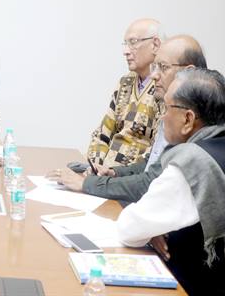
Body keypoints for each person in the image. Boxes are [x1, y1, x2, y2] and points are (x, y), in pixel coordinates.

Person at [117, 68, 225, 295]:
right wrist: (153, 227)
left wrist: (150, 229)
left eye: (166, 107)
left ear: (188, 119)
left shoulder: (192, 163)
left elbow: (129, 229)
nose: (162, 117)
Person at [51, 35, 207, 202]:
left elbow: (150, 182)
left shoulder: (181, 114)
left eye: (163, 67)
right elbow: (151, 163)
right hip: (128, 184)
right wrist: (110, 172)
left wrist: (89, 184)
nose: (154, 75)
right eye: (155, 67)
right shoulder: (141, 88)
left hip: (145, 197)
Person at [86, 18, 163, 167]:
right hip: (105, 171)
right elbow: (102, 133)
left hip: (131, 174)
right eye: (125, 44)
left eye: (133, 42)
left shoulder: (163, 87)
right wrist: (95, 166)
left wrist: (115, 174)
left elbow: (156, 150)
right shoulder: (125, 83)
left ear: (155, 45)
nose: (126, 51)